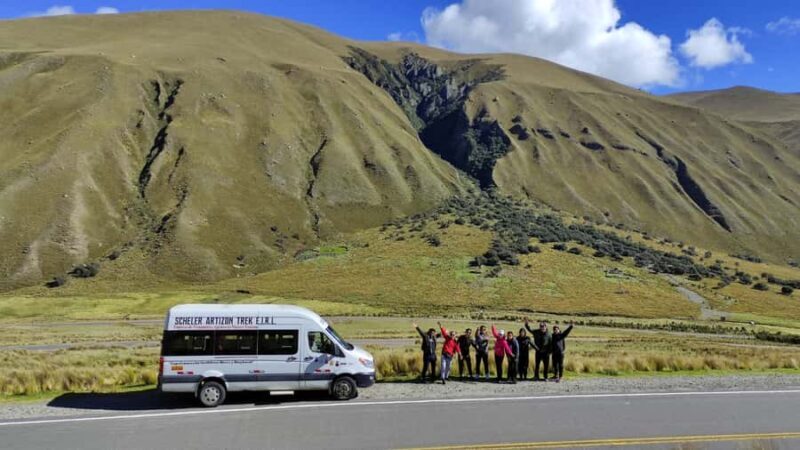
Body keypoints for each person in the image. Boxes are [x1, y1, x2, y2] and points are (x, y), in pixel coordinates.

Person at [525, 318, 552, 382]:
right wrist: (526, 325)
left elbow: (551, 344)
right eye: (541, 326)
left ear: (546, 327)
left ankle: (545, 377)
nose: (542, 327)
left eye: (543, 326)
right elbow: (530, 330)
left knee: (546, 366)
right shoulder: (536, 332)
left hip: (546, 353)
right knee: (537, 365)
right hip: (538, 352)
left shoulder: (549, 334)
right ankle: (536, 376)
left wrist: (549, 352)